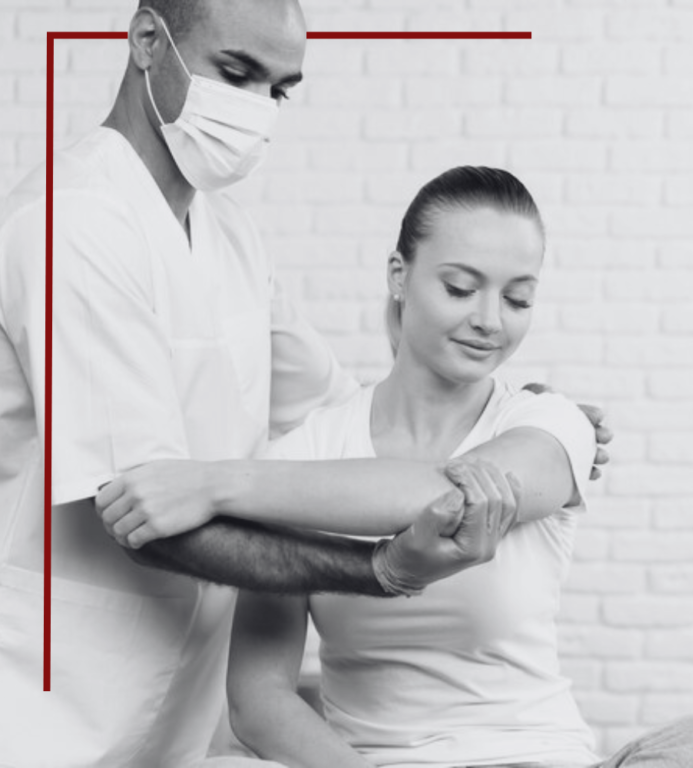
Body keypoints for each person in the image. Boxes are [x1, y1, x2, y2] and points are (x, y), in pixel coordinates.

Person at [0, 2, 612, 767]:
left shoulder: (229, 235)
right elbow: (143, 509)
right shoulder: (74, 225)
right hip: (56, 698)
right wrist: (379, 571)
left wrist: (522, 424)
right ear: (148, 41)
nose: (256, 109)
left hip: (175, 706)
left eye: (279, 89)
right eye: (237, 73)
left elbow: (348, 415)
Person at [102, 167, 693, 768]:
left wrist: (215, 483)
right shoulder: (305, 457)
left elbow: (441, 491)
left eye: (518, 299)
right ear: (400, 275)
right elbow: (259, 698)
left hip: (536, 758)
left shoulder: (550, 423)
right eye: (460, 288)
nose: (489, 321)